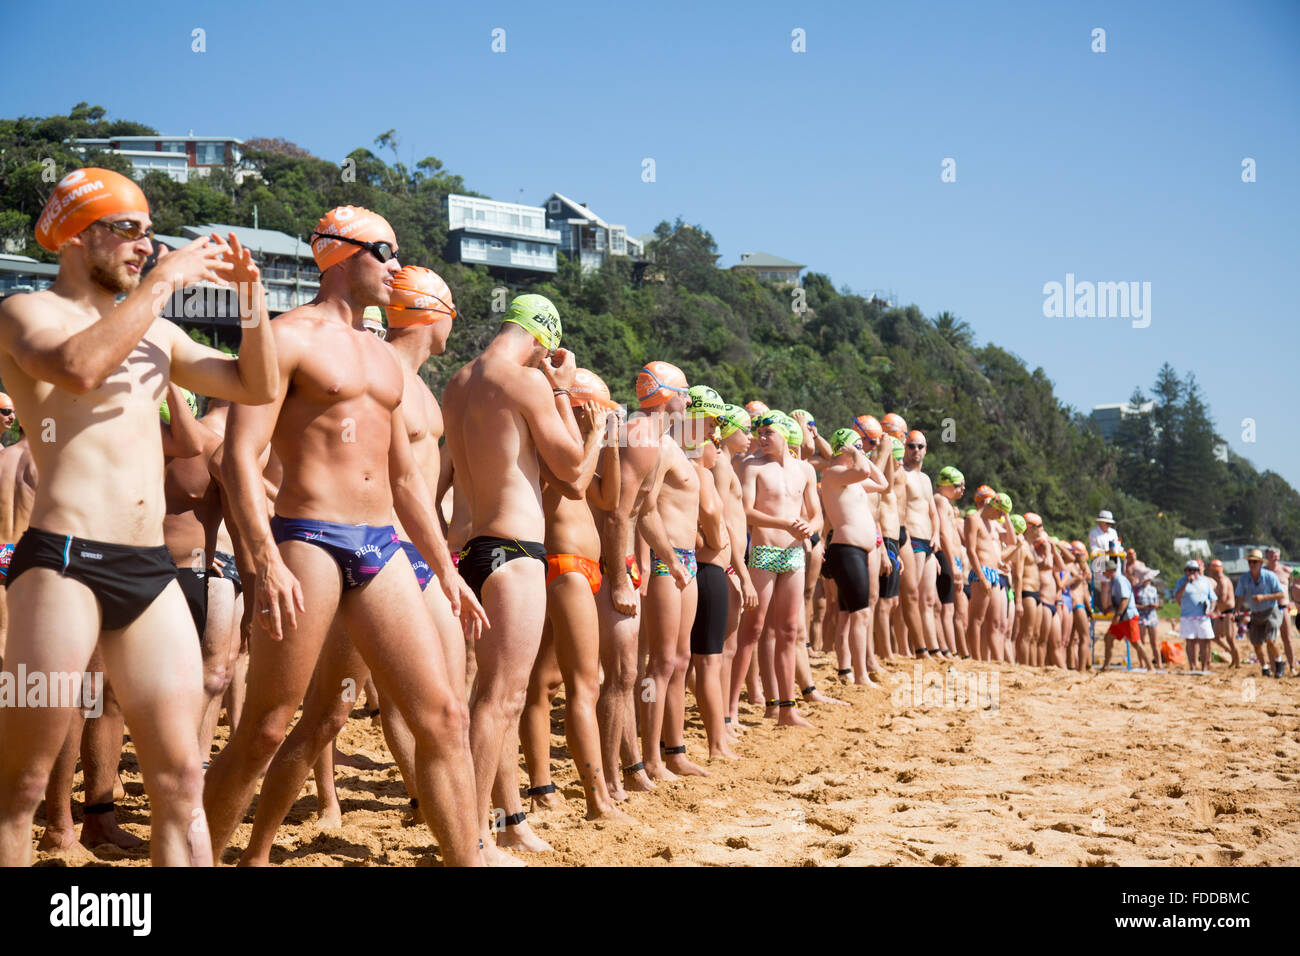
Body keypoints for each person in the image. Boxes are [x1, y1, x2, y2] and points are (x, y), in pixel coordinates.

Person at [0, 168, 277, 866]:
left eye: (151, 235)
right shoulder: (25, 310)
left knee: (182, 779)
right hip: (63, 562)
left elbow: (256, 383)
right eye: (127, 229)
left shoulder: (157, 333)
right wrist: (163, 285)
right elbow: (77, 369)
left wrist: (252, 304)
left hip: (149, 571)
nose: (145, 247)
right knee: (22, 785)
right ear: (74, 234)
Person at [204, 207, 485, 866]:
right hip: (306, 538)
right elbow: (239, 457)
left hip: (381, 547)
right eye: (383, 252)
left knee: (443, 715)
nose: (395, 266)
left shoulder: (386, 362)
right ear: (338, 254)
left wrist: (445, 570)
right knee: (267, 727)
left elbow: (408, 481)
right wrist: (263, 559)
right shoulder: (287, 337)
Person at [731, 411, 818, 728]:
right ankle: (731, 711)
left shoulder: (805, 470)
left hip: (793, 554)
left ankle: (786, 709)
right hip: (765, 551)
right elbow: (747, 512)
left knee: (789, 631)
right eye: (758, 433)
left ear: (785, 433)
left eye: (768, 432)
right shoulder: (752, 466)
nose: (761, 438)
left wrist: (809, 528)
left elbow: (816, 514)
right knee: (752, 631)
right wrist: (785, 523)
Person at [819, 428, 889, 684]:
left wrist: (861, 455)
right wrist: (858, 456)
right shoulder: (834, 475)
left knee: (848, 614)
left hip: (856, 552)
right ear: (845, 449)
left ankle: (846, 670)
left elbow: (882, 484)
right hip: (846, 550)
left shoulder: (852, 478)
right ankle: (860, 674)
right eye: (857, 446)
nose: (862, 450)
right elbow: (863, 472)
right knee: (860, 613)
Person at [713, 405, 759, 733]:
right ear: (727, 430)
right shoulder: (719, 463)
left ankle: (725, 717)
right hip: (727, 563)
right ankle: (723, 720)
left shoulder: (727, 463)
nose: (751, 436)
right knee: (721, 648)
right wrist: (741, 572)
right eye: (744, 429)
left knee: (721, 648)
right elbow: (720, 520)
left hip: (731, 562)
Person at [932, 466, 968, 657]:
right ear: (945, 484)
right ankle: (949, 650)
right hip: (945, 556)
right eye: (958, 485)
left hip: (951, 558)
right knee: (947, 606)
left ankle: (951, 649)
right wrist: (953, 564)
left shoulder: (945, 502)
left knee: (950, 607)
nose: (962, 489)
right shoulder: (940, 500)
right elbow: (944, 534)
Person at [1235, 549, 1285, 677]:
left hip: (1270, 611)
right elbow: (1240, 595)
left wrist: (1264, 597)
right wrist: (1237, 610)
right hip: (1255, 613)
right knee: (1256, 643)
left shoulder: (1270, 576)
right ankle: (1265, 668)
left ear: (1260, 563)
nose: (1252, 564)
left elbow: (1281, 594)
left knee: (1270, 640)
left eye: (1255, 562)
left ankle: (1279, 663)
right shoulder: (1244, 578)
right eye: (1250, 562)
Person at [1100, 559, 1154, 670]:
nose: (1102, 573)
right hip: (1122, 617)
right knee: (1108, 638)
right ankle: (1106, 666)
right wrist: (1109, 609)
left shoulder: (1119, 580)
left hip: (1127, 616)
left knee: (1136, 643)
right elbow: (1119, 600)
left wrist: (1117, 615)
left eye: (1104, 570)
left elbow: (1125, 599)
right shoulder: (1114, 581)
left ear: (1110, 570)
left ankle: (1150, 667)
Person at [1172, 559, 1216, 672]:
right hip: (1187, 616)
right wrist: (1187, 583)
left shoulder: (1205, 582)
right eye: (1188, 570)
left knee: (1204, 642)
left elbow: (1213, 598)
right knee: (1190, 642)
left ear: (1198, 570)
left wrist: (1211, 610)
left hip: (1203, 616)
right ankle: (1192, 666)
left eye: (1193, 570)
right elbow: (1177, 597)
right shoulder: (1181, 581)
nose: (1190, 572)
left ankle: (1204, 667)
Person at [1262, 547, 1296, 676]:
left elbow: (1295, 585)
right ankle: (1274, 667)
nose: (1274, 558)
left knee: (1287, 637)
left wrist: (1294, 600)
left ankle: (1292, 666)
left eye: (1276, 555)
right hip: (1269, 609)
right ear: (1267, 557)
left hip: (1284, 607)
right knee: (1271, 639)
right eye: (1271, 555)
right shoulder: (1263, 571)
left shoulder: (1286, 570)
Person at [1205, 558, 1240, 668]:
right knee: (1215, 637)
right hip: (1221, 613)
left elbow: (1223, 598)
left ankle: (1237, 663)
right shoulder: (1218, 580)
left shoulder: (1223, 580)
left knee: (1230, 639)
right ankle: (1232, 654)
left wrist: (1210, 597)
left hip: (1228, 613)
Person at [1088, 510, 1121, 611]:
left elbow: (1118, 545)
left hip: (1113, 559)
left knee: (1113, 584)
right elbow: (1094, 548)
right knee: (1104, 585)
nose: (1108, 525)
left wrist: (1117, 550)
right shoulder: (1094, 533)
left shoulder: (1113, 532)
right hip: (1100, 560)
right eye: (1106, 522)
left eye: (1109, 523)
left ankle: (1112, 607)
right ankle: (1105, 608)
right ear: (1100, 522)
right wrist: (1106, 551)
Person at [1133, 567, 1162, 671]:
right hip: (1141, 617)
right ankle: (1142, 663)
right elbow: (1133, 604)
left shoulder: (1153, 589)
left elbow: (1158, 603)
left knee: (1154, 642)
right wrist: (1144, 607)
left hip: (1152, 616)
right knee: (1142, 642)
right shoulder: (1136, 589)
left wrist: (1154, 605)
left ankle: (1159, 663)